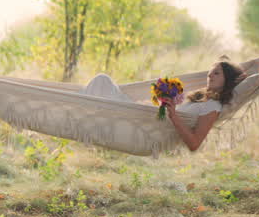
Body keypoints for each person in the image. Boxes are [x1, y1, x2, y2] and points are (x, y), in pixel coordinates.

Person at [81, 61, 247, 151]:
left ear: (228, 79)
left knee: (102, 81)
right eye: (209, 73)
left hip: (142, 126)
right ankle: (80, 117)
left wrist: (174, 115)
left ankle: (80, 120)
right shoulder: (200, 98)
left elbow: (194, 143)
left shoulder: (213, 107)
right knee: (102, 82)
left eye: (216, 73)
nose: (210, 76)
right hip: (137, 113)